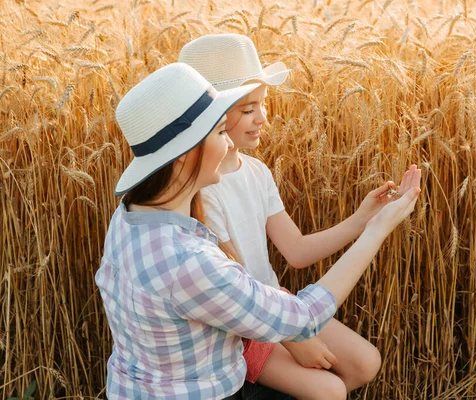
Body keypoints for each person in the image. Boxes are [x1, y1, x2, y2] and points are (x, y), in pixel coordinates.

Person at [95, 62, 421, 399]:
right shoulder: (190, 259)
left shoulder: (130, 216)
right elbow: (302, 317)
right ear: (186, 154)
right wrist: (377, 228)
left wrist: (363, 220)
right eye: (221, 133)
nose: (228, 144)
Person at [179, 34, 420, 399]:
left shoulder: (256, 171)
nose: (262, 118)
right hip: (241, 325)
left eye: (262, 104)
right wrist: (294, 340)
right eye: (247, 110)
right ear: (211, 116)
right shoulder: (202, 192)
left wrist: (363, 218)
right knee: (328, 390)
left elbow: (297, 250)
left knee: (364, 363)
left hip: (272, 300)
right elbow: (239, 294)